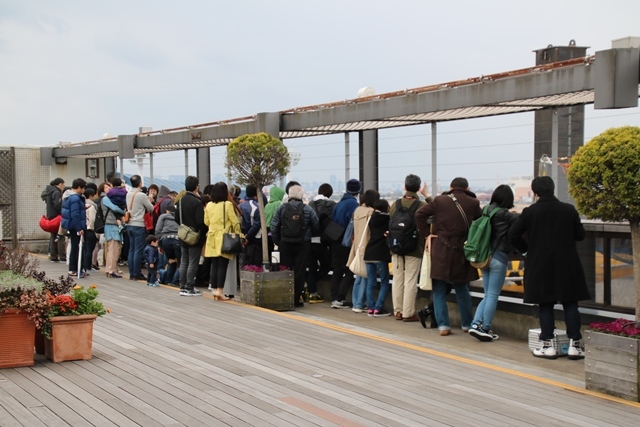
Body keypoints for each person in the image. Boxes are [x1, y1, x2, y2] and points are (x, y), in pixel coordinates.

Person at [508, 176, 589, 359]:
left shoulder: (530, 212)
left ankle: (547, 345)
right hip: (567, 263)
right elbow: (580, 235)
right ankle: (575, 344)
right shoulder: (568, 210)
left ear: (535, 192)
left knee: (545, 304)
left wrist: (526, 250)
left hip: (540, 263)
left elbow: (513, 233)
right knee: (570, 304)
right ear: (553, 189)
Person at [415, 177, 481, 336]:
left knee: (438, 289)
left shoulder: (440, 200)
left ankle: (444, 326)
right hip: (462, 248)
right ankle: (467, 324)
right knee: (462, 288)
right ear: (467, 188)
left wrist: (426, 235)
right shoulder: (473, 203)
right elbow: (479, 223)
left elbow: (419, 214)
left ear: (451, 187)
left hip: (441, 247)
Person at [468, 184, 519, 342]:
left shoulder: (485, 210)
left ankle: (476, 324)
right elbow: (523, 221)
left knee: (487, 294)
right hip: (498, 258)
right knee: (493, 295)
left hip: (484, 257)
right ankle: (485, 328)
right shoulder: (504, 214)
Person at [388, 174, 430, 322]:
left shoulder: (395, 204)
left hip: (396, 247)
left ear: (405, 187)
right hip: (414, 248)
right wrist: (426, 195)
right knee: (411, 280)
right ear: (418, 188)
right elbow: (436, 211)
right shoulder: (422, 206)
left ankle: (398, 311)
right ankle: (408, 313)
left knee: (398, 279)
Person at [271, 185, 320, 307]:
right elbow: (316, 225)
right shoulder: (307, 209)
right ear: (302, 196)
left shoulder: (282, 208)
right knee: (299, 272)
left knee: (285, 270)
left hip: (285, 244)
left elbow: (274, 226)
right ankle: (296, 299)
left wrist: (278, 241)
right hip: (303, 244)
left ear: (289, 195)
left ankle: (285, 297)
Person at [204, 182, 243, 300]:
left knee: (214, 264)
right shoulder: (227, 205)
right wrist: (240, 234)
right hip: (223, 237)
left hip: (211, 237)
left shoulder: (209, 205)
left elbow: (206, 222)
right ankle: (220, 290)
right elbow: (234, 221)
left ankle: (215, 289)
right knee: (222, 265)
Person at [329, 179, 361, 308]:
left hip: (334, 239)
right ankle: (339, 298)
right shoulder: (353, 204)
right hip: (345, 242)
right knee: (348, 270)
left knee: (337, 270)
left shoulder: (338, 204)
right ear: (358, 191)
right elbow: (353, 223)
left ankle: (334, 296)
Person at [347, 189, 380, 313]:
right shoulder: (371, 212)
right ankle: (360, 303)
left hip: (357, 246)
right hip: (367, 246)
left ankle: (356, 303)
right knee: (366, 276)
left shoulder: (357, 210)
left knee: (359, 276)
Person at [175, 175, 206, 296]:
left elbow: (176, 218)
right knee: (193, 262)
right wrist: (201, 232)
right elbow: (200, 222)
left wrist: (184, 228)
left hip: (183, 235)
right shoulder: (197, 202)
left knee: (184, 261)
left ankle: (182, 286)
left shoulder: (181, 200)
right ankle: (189, 287)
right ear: (196, 187)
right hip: (194, 236)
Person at [306, 183, 336, 303]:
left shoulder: (309, 204)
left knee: (312, 266)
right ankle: (310, 286)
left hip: (309, 240)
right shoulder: (332, 205)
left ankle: (312, 292)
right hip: (323, 241)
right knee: (327, 265)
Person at [364, 199, 392, 317]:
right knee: (385, 282)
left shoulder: (372, 218)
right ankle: (378, 308)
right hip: (380, 254)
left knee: (371, 282)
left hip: (369, 253)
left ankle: (370, 307)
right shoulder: (387, 219)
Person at [126, 175, 154, 281]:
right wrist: (150, 200)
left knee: (131, 249)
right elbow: (150, 208)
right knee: (138, 250)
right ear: (140, 184)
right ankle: (136, 273)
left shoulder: (128, 194)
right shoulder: (141, 195)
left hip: (130, 224)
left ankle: (131, 273)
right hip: (139, 224)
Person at [61, 178, 87, 278]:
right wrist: (79, 228)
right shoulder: (75, 198)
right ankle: (75, 268)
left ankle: (75, 268)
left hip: (70, 225)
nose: (84, 190)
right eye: (83, 188)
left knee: (74, 246)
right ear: (79, 187)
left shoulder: (67, 196)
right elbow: (75, 214)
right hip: (75, 225)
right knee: (76, 248)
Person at [100, 182, 125, 278]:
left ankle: (112, 269)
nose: (108, 189)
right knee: (113, 248)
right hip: (111, 225)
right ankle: (111, 270)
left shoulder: (111, 198)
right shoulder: (105, 199)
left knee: (114, 248)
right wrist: (123, 211)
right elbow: (115, 208)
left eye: (109, 186)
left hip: (112, 225)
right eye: (105, 187)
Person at [155, 204, 180, 287]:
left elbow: (158, 229)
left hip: (165, 239)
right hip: (177, 239)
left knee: (171, 260)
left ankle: (168, 280)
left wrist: (159, 244)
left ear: (167, 211)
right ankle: (175, 281)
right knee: (181, 262)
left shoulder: (163, 216)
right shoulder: (179, 217)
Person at [43, 177, 66, 262]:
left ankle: (53, 256)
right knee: (60, 236)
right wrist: (62, 211)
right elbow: (57, 204)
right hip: (56, 216)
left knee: (53, 236)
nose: (63, 186)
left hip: (51, 216)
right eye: (63, 184)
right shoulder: (56, 192)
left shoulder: (50, 191)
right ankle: (62, 255)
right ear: (59, 184)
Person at [239, 185, 262, 267]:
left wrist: (243, 237)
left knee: (243, 265)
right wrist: (248, 237)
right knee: (255, 267)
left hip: (241, 241)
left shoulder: (240, 206)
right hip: (254, 240)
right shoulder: (257, 207)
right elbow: (257, 225)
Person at [83, 188, 99, 274]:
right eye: (94, 195)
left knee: (86, 248)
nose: (95, 197)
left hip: (84, 228)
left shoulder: (82, 204)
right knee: (90, 249)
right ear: (90, 196)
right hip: (90, 229)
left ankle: (85, 265)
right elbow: (93, 219)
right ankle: (88, 265)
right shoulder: (92, 206)